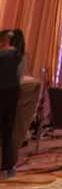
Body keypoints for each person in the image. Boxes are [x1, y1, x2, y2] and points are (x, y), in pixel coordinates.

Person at [0, 30, 22, 179]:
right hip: (13, 93)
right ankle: (9, 167)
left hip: (1, 93)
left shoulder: (2, 55)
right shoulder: (17, 55)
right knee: (8, 131)